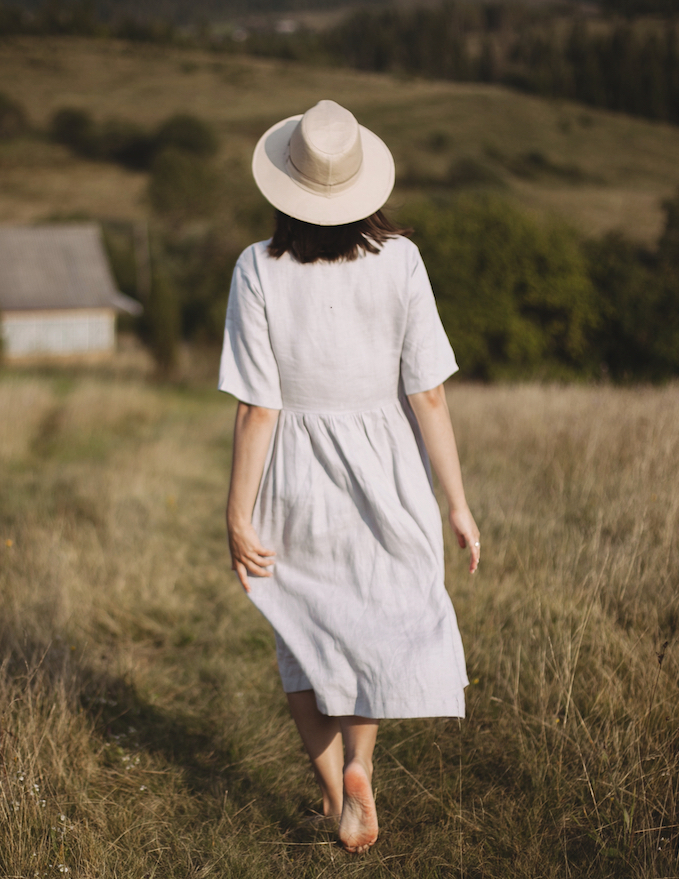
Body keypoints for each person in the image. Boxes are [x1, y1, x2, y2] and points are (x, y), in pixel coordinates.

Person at [220, 99, 481, 854]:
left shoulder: (256, 268)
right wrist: (457, 504)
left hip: (294, 474)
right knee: (369, 620)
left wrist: (237, 515)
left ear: (287, 186)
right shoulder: (400, 259)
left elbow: (257, 410)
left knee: (303, 634)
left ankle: (336, 790)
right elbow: (428, 392)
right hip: (386, 466)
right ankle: (364, 763)